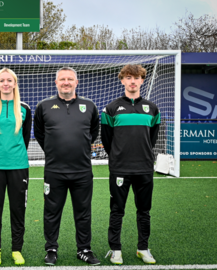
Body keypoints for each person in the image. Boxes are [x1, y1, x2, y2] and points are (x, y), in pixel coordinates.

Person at [34, 67, 100, 266]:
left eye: (70, 79)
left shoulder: (89, 106)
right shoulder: (44, 106)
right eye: (62, 79)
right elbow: (39, 134)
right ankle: (51, 249)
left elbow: (93, 133)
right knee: (52, 212)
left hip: (82, 171)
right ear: (56, 83)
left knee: (83, 212)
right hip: (55, 171)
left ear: (76, 82)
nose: (66, 82)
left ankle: (84, 249)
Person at [101, 64, 160, 265]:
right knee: (117, 210)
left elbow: (151, 139)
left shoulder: (152, 108)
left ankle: (143, 248)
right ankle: (115, 249)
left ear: (142, 80)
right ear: (122, 80)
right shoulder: (111, 108)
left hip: (144, 168)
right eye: (128, 77)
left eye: (136, 77)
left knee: (144, 211)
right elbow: (107, 140)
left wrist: (140, 155)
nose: (132, 81)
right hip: (120, 169)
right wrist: (119, 157)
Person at [0, 67, 32, 266]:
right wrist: (0, 154)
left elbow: (26, 138)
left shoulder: (24, 108)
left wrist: (14, 154)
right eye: (1, 80)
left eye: (9, 80)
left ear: (14, 83)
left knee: (18, 210)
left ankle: (16, 249)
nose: (5, 84)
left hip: (19, 166)